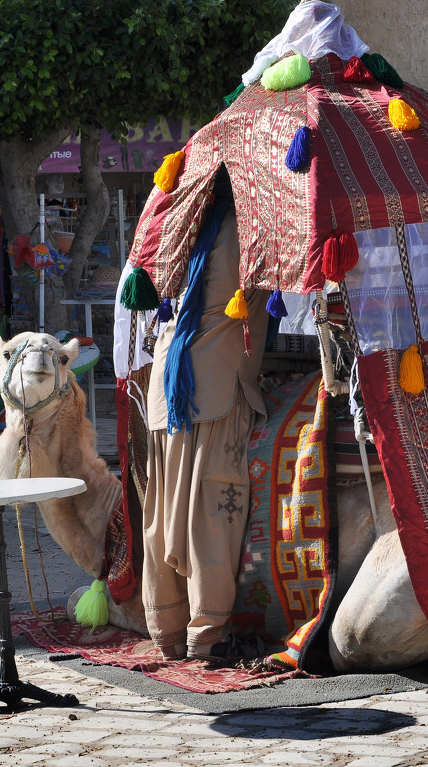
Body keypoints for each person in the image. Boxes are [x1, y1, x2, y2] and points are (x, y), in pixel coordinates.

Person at [142, 177, 269, 663]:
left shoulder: (178, 221)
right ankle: (207, 634)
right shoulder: (253, 227)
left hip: (167, 385)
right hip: (214, 384)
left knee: (164, 510)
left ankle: (167, 631)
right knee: (212, 509)